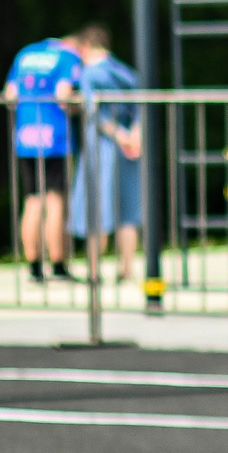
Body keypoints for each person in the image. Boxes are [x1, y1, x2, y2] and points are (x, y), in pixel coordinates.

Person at [65, 25, 144, 281]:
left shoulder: (89, 74)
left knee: (96, 207)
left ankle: (95, 271)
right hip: (130, 148)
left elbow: (94, 112)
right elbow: (141, 107)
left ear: (86, 47)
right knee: (128, 208)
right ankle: (126, 269)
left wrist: (117, 134)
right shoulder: (125, 71)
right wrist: (134, 134)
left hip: (103, 147)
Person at [4, 32, 84, 281]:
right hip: (54, 136)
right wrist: (79, 104)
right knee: (55, 200)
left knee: (32, 201)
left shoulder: (26, 53)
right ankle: (58, 264)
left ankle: (34, 267)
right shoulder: (68, 56)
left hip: (26, 135)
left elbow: (9, 95)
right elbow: (63, 94)